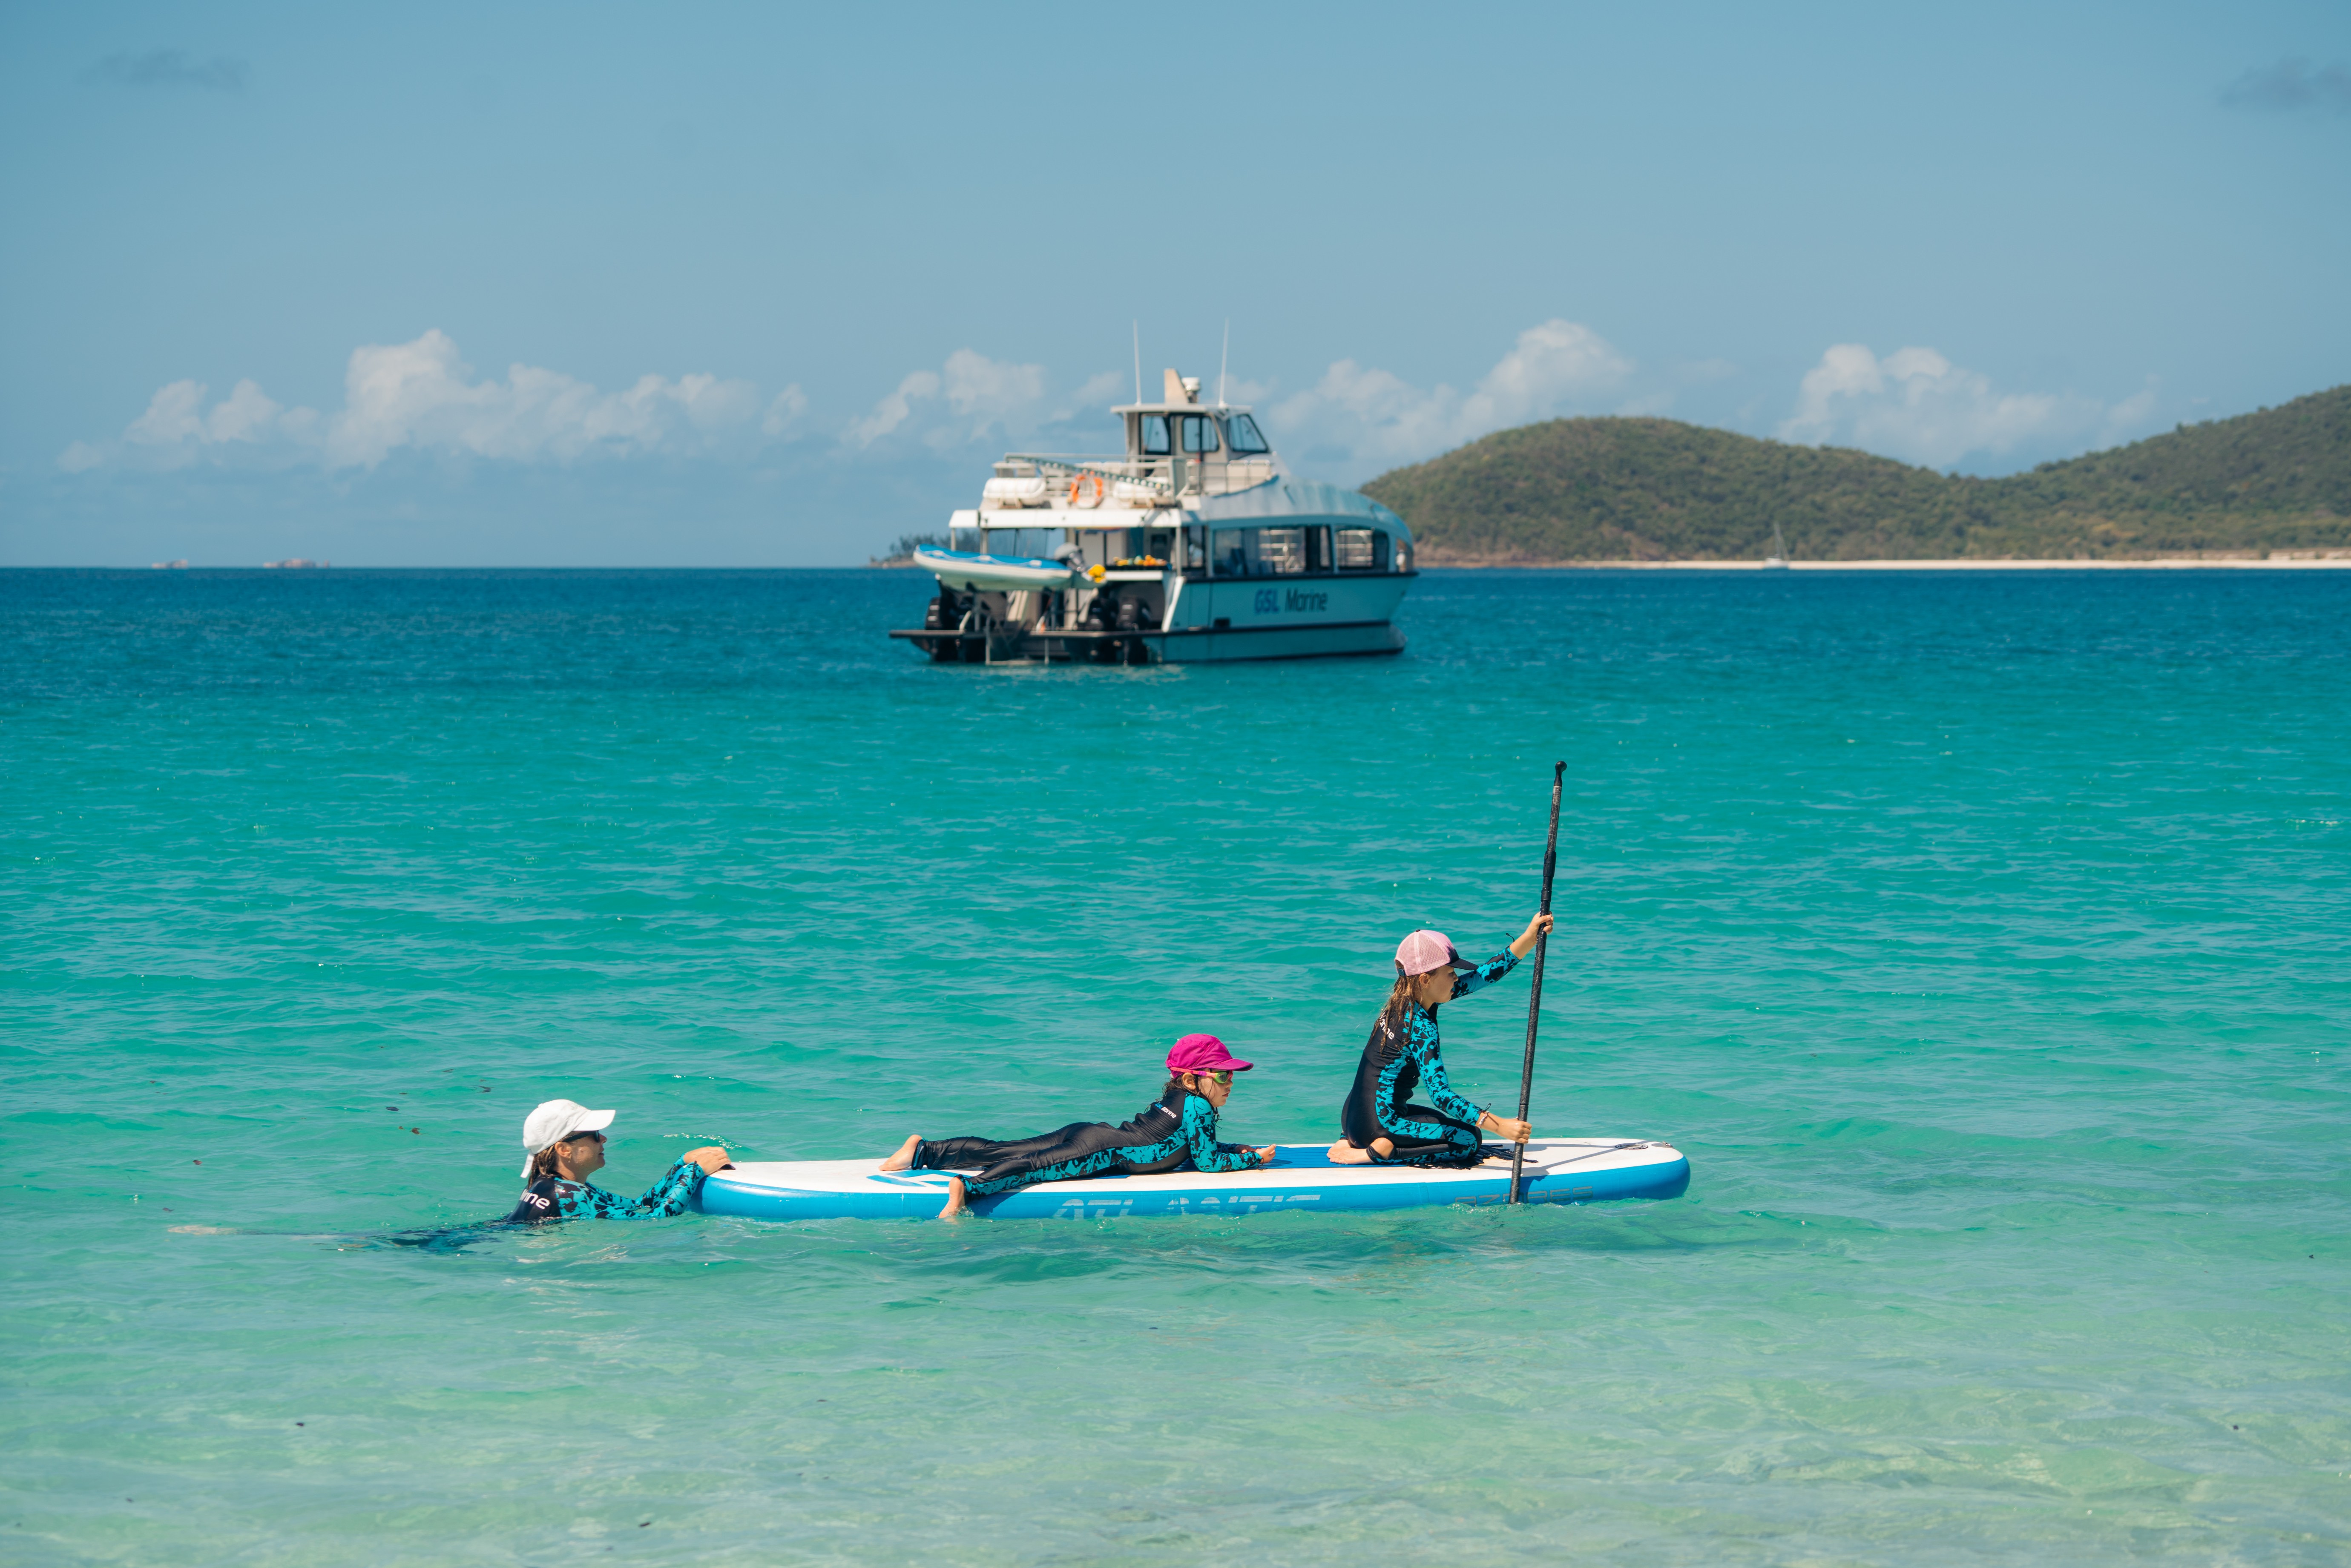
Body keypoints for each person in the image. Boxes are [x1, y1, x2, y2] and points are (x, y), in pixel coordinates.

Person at [878, 1034, 1275, 1218]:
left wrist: (1235, 1150)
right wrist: (1251, 1161)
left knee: (1005, 1149)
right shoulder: (1199, 1109)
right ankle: (968, 1188)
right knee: (1034, 1167)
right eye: (1222, 1076)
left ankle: (923, 1151)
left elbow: (1196, 1147)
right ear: (1192, 1079)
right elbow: (1204, 1162)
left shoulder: (1183, 1099)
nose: (1230, 1083)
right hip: (1104, 1149)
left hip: (1092, 1133)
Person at [1331, 915, 1552, 1167]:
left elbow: (1483, 976)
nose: (1457, 978)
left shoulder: (1403, 1001)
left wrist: (1529, 937)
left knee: (1440, 1121)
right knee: (1469, 1139)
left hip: (1353, 1118)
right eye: (1451, 973)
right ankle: (1381, 1152)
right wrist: (1500, 1125)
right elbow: (1441, 1095)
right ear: (1426, 979)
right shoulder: (1420, 1025)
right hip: (1379, 1126)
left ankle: (1350, 1139)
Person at [505, 1098, 732, 1223]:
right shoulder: (568, 1194)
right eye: (594, 1135)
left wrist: (681, 1165)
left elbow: (639, 1206)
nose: (603, 1138)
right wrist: (694, 1172)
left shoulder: (555, 1185)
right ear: (564, 1149)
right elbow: (654, 1220)